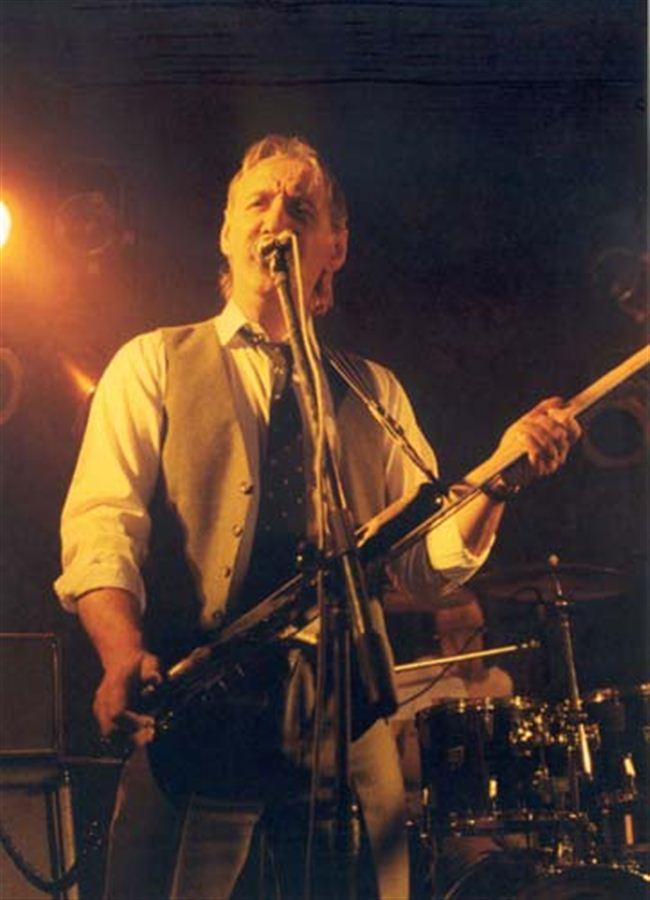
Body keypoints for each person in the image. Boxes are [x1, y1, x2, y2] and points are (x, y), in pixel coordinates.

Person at [55, 134, 581, 900]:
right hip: (201, 712)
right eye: (258, 203)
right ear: (226, 232)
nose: (277, 219)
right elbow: (104, 526)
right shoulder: (152, 363)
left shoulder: (372, 391)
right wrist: (120, 651)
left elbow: (423, 566)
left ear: (335, 246)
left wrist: (498, 481)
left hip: (346, 721)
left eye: (300, 209)